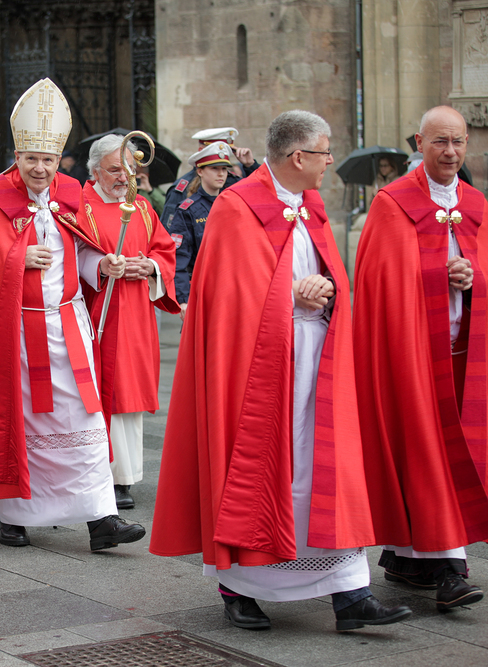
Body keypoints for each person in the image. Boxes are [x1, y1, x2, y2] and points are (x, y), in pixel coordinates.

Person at [150, 110, 411, 633]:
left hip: (319, 354)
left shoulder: (311, 206)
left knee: (327, 466)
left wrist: (328, 289)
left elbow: (331, 274)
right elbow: (227, 294)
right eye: (324, 152)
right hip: (259, 369)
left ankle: (350, 592)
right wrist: (291, 294)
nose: (330, 161)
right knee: (269, 467)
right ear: (297, 156)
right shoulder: (237, 207)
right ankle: (241, 587)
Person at [0, 77, 144, 552]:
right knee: (26, 422)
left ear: (59, 161)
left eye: (48, 160)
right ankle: (15, 517)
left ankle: (101, 518)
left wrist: (102, 265)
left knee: (86, 421)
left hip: (69, 323)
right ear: (17, 156)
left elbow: (82, 250)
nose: (40, 168)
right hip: (17, 330)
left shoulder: (71, 192)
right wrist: (16, 260)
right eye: (31, 158)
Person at [354, 105, 487, 612]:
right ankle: (452, 570)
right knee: (427, 455)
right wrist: (436, 276)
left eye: (458, 142)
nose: (450, 152)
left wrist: (472, 280)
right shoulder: (393, 203)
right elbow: (380, 282)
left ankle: (408, 560)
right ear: (419, 142)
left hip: (463, 354)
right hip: (412, 356)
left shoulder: (476, 203)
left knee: (452, 455)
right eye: (439, 142)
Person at [80, 134, 179, 510]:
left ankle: (125, 476)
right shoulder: (80, 208)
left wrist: (150, 267)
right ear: (95, 172)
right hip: (98, 311)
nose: (124, 177)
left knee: (130, 393)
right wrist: (101, 266)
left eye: (130, 169)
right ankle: (102, 472)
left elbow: (164, 249)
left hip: (137, 313)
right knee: (104, 390)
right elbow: (73, 254)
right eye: (115, 170)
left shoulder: (141, 207)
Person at [169, 141, 240, 320]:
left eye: (224, 169)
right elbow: (179, 258)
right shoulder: (187, 210)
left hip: (233, 289)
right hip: (203, 290)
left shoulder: (234, 204)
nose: (221, 174)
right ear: (200, 171)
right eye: (214, 169)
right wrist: (183, 299)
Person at [161, 128, 259, 226]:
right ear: (201, 151)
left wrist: (250, 166)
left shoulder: (233, 182)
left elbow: (262, 194)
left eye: (230, 150)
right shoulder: (182, 188)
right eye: (214, 149)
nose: (223, 154)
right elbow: (170, 228)